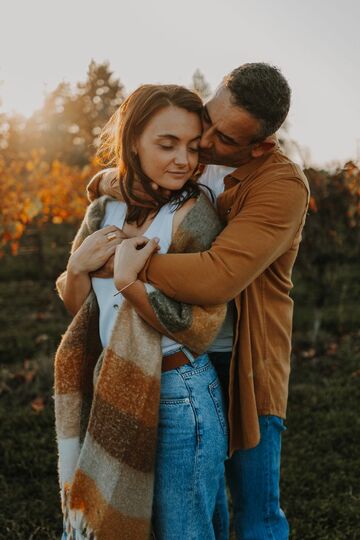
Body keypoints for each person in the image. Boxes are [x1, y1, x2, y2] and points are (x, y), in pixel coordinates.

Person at [88, 63, 310, 540]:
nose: (204, 140)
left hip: (246, 361)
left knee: (256, 513)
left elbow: (217, 278)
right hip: (183, 347)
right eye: (207, 117)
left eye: (223, 137)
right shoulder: (198, 149)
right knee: (200, 503)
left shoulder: (280, 185)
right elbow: (124, 175)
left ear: (261, 145)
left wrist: (122, 263)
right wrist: (107, 182)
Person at [54, 84, 229, 540]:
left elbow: (200, 326)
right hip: (115, 381)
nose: (183, 160)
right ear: (133, 141)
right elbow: (82, 312)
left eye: (193, 147)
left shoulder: (194, 216)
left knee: (183, 532)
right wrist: (77, 267)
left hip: (180, 391)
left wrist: (133, 286)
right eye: (166, 144)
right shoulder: (102, 210)